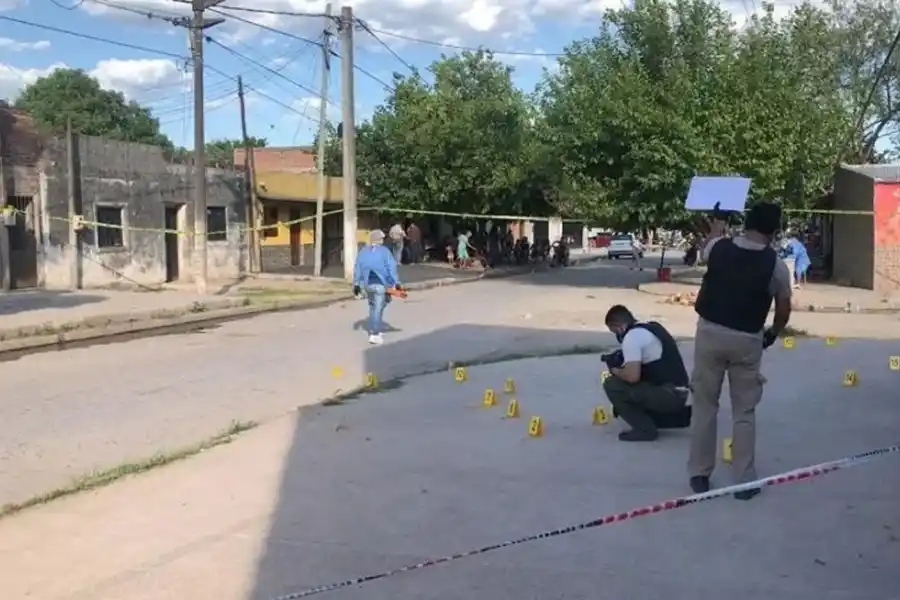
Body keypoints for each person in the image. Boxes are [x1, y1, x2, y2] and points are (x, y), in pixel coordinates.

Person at [688, 202, 792, 500]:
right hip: (747, 338)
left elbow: (709, 245)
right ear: (774, 230)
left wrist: (719, 221)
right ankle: (744, 480)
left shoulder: (719, 248)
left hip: (709, 332)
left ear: (746, 222)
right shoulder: (776, 265)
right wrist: (773, 333)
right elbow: (783, 307)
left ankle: (699, 473)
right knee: (743, 411)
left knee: (705, 405)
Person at [602, 305, 692, 442]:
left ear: (619, 326)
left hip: (668, 396)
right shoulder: (651, 328)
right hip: (679, 391)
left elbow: (632, 377)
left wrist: (615, 370)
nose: (616, 335)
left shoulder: (631, 338)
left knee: (612, 385)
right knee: (632, 388)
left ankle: (644, 430)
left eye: (614, 331)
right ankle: (667, 418)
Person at [353, 230, 402, 345]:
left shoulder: (363, 252)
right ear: (379, 240)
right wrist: (397, 282)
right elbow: (392, 267)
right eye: (382, 239)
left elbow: (358, 268)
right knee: (379, 307)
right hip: (380, 285)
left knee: (372, 306)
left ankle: (375, 328)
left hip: (367, 285)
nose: (383, 240)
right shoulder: (385, 252)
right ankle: (375, 333)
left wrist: (356, 284)